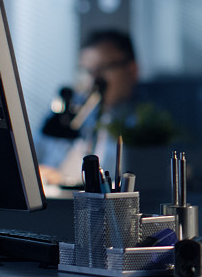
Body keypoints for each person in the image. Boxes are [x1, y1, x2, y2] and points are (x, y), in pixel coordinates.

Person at [36, 30, 139, 186]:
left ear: (131, 69)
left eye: (104, 68)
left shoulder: (145, 122)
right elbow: (32, 156)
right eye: (88, 71)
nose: (94, 80)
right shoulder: (70, 112)